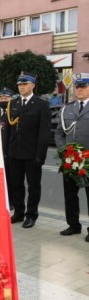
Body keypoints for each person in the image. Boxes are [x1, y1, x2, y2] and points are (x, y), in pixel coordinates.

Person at [8, 72, 51, 228]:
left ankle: (31, 215)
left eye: (25, 84)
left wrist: (40, 155)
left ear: (33, 85)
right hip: (14, 152)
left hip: (32, 154)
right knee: (16, 185)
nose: (21, 87)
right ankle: (19, 212)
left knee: (33, 186)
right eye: (19, 85)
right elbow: (8, 130)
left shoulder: (41, 104)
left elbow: (44, 133)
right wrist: (6, 151)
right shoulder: (13, 104)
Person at [54, 73, 89, 240]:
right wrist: (64, 151)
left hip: (88, 160)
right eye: (77, 87)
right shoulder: (67, 109)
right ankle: (73, 225)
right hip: (70, 159)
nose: (79, 90)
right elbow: (59, 133)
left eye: (83, 87)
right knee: (70, 194)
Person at [0, 88, 15, 208]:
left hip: (9, 151)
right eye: (1, 98)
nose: (3, 100)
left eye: (6, 98)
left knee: (11, 178)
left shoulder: (13, 113)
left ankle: (12, 201)